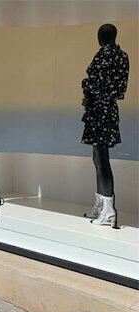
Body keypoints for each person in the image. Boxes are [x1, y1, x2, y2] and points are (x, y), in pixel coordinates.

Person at [81, 24, 129, 228]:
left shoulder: (106, 56)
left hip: (100, 111)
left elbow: (96, 84)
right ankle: (101, 204)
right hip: (106, 110)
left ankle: (108, 210)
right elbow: (119, 88)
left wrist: (86, 85)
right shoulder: (122, 56)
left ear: (102, 37)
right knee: (98, 157)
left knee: (101, 159)